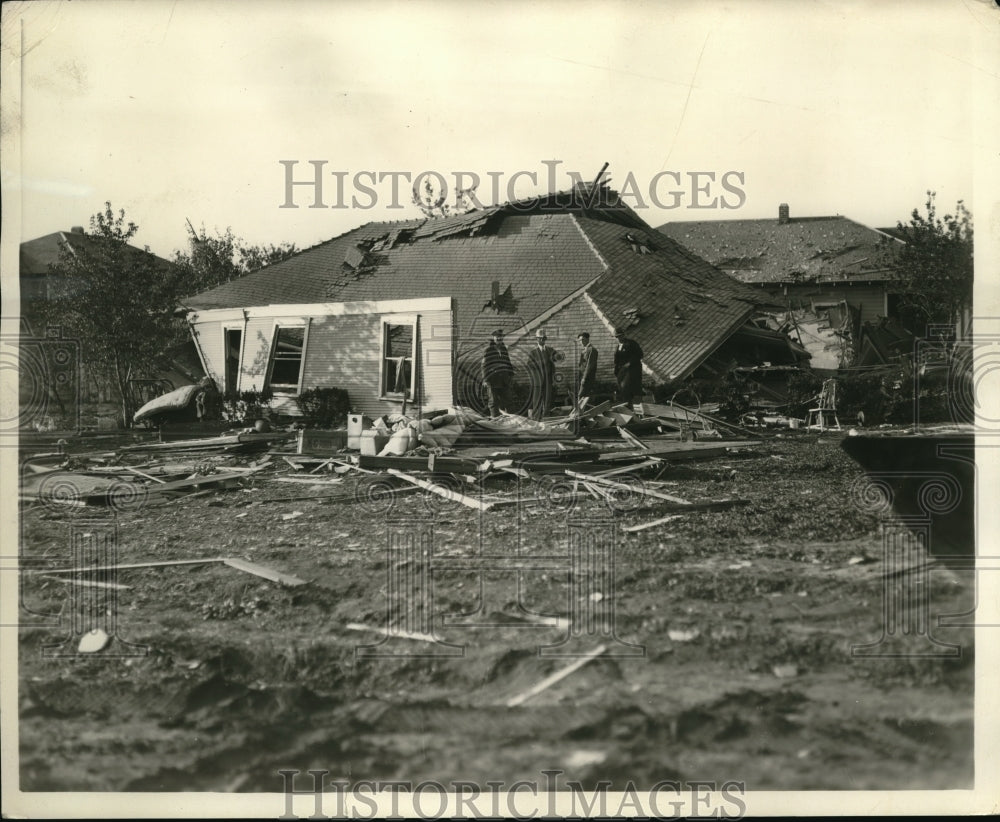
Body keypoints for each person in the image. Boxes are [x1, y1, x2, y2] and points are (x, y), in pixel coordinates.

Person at [526, 328, 559, 420]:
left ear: (546, 339)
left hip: (548, 380)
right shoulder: (533, 353)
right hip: (538, 381)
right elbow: (529, 364)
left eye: (544, 338)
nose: (542, 340)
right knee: (536, 400)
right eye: (540, 338)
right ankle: (536, 419)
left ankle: (546, 418)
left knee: (547, 400)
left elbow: (557, 358)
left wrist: (558, 356)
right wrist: (541, 362)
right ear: (537, 339)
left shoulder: (550, 350)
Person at [481, 329, 514, 418]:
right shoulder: (488, 350)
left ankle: (510, 420)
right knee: (493, 401)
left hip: (504, 379)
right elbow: (484, 365)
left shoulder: (504, 349)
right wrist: (485, 379)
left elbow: (508, 362)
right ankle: (495, 420)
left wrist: (511, 374)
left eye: (500, 337)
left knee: (508, 400)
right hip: (493, 380)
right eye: (497, 337)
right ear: (494, 338)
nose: (499, 338)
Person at [613, 327, 643, 409]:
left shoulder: (631, 343)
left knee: (627, 387)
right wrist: (616, 370)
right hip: (622, 371)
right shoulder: (618, 346)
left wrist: (629, 363)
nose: (619, 338)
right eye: (617, 337)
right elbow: (617, 360)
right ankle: (628, 407)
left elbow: (640, 354)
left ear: (624, 335)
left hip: (632, 370)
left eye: (620, 336)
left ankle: (634, 407)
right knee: (622, 389)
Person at [576, 332, 598, 407]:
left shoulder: (592, 350)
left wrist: (584, 378)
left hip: (588, 378)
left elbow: (590, 365)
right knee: (583, 397)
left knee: (582, 395)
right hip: (582, 377)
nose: (581, 342)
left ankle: (581, 413)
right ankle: (583, 413)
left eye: (583, 340)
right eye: (580, 341)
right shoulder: (584, 351)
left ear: (588, 339)